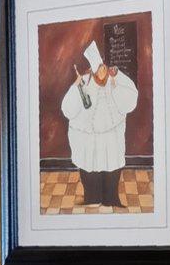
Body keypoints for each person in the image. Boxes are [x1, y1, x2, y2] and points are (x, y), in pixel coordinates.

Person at [60, 40, 139, 208]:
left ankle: (111, 199)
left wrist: (116, 77)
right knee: (89, 169)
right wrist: (76, 87)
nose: (101, 74)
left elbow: (130, 102)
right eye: (97, 71)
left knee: (111, 168)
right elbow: (68, 110)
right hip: (88, 138)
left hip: (112, 136)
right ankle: (91, 199)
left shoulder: (115, 77)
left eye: (103, 68)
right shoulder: (84, 81)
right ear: (92, 71)